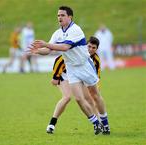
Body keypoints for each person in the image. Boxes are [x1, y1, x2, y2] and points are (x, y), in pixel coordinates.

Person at [31, 6, 110, 135]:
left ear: (69, 17)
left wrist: (46, 44)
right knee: (78, 99)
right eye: (58, 15)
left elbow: (64, 47)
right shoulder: (57, 33)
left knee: (95, 96)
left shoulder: (76, 30)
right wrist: (38, 51)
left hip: (84, 65)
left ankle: (105, 124)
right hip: (72, 68)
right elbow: (49, 50)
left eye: (62, 15)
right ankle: (96, 124)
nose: (59, 18)